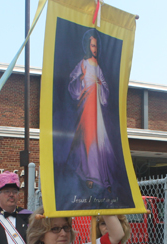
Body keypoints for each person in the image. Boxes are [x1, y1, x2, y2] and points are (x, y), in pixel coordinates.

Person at [67, 30, 114, 192]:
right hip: (86, 107)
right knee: (87, 139)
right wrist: (81, 79)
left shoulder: (98, 67)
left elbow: (105, 88)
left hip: (98, 112)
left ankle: (100, 176)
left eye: (96, 46)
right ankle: (88, 174)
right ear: (88, 45)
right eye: (92, 45)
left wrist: (100, 85)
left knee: (98, 139)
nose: (95, 48)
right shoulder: (83, 64)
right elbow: (73, 85)